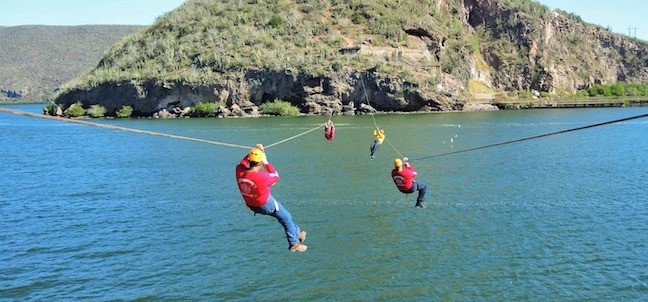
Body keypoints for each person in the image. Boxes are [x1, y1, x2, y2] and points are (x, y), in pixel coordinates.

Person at [235, 144, 307, 252]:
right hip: (266, 205)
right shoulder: (261, 177)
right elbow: (276, 175)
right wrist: (266, 162)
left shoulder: (239, 170)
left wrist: (256, 151)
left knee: (284, 218)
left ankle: (296, 233)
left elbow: (243, 163)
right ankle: (294, 243)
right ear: (260, 162)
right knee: (286, 217)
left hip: (252, 205)